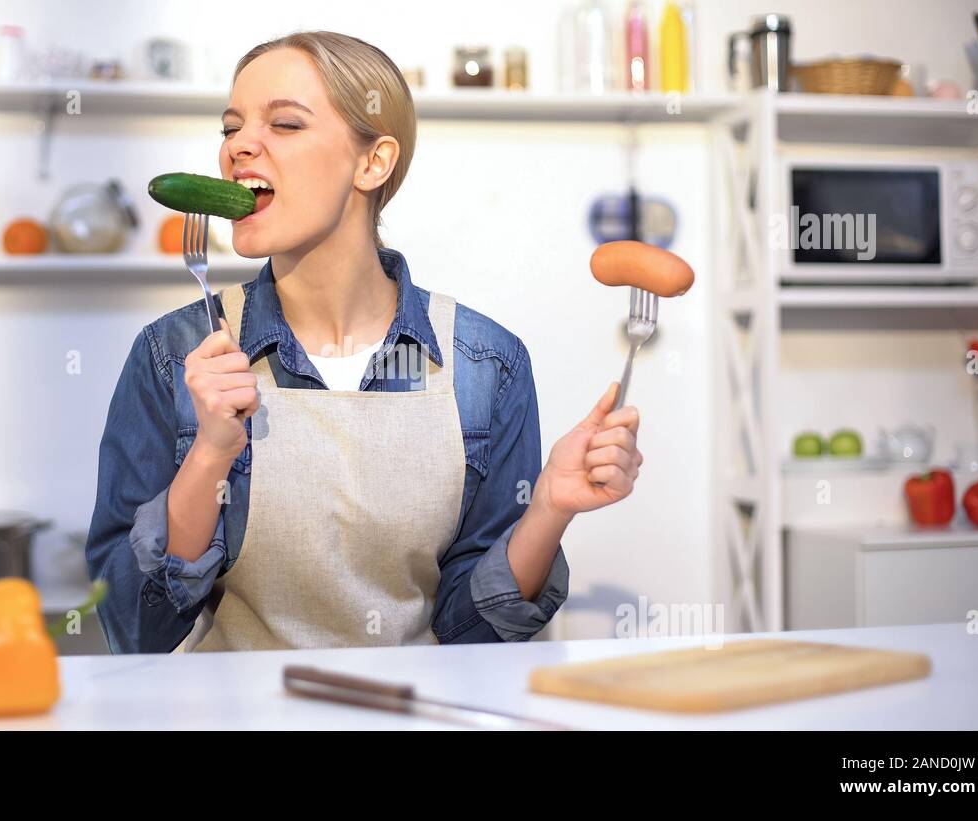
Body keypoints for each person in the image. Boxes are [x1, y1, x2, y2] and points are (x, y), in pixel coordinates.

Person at [85, 31, 642, 653]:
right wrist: (210, 454)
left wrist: (548, 508)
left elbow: (474, 635)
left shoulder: (485, 364)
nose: (240, 146)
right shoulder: (173, 354)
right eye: (230, 127)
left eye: (287, 124)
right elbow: (134, 628)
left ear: (372, 162)